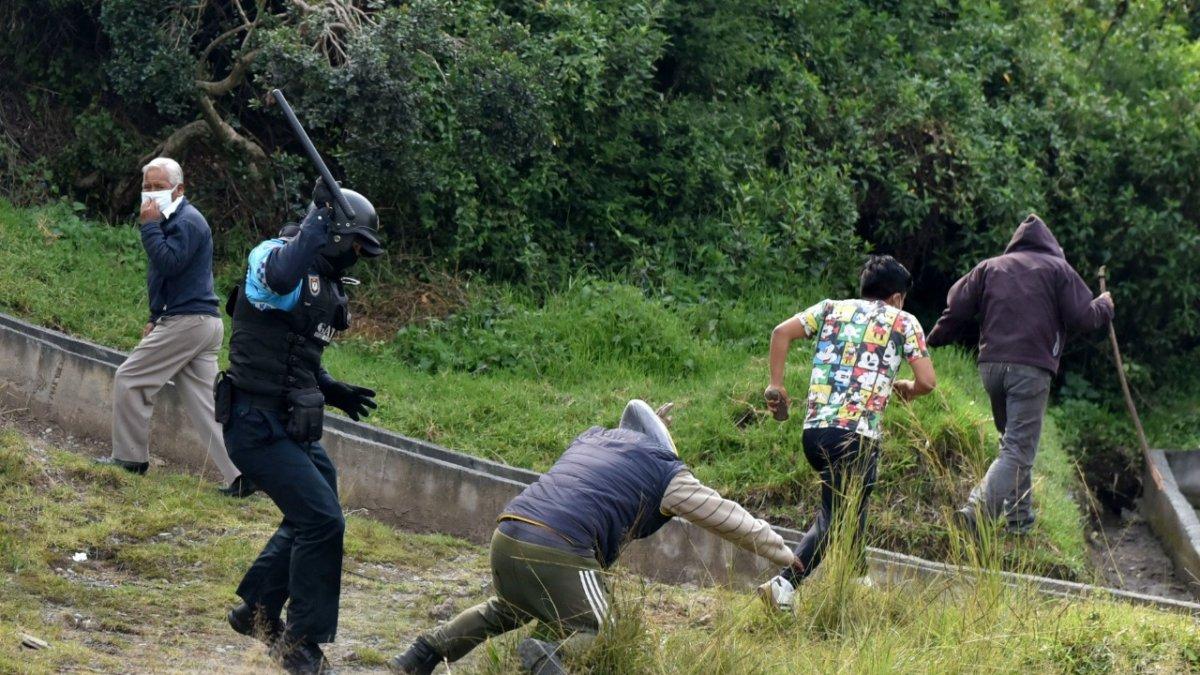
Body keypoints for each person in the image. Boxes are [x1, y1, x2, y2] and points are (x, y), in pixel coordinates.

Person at [388, 400, 801, 675]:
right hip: (558, 548)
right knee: (609, 629)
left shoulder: (593, 440)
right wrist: (783, 552)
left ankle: (419, 656)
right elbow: (727, 517)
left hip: (508, 533)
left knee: (506, 609)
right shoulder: (666, 473)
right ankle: (552, 655)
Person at [218, 181, 382, 674]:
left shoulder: (324, 279)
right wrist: (318, 217)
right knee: (322, 520)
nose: (357, 255)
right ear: (328, 231)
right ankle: (300, 643)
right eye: (353, 243)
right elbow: (281, 274)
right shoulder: (274, 258)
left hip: (289, 425)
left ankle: (257, 610)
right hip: (255, 423)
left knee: (317, 507)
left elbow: (297, 355)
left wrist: (333, 389)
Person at [757, 255, 936, 611]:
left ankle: (857, 580)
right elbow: (927, 381)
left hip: (815, 431)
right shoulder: (904, 321)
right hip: (856, 435)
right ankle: (783, 585)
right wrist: (907, 388)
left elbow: (781, 333)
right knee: (835, 516)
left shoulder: (830, 309)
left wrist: (776, 385)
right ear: (898, 297)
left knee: (852, 503)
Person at [926, 214, 1114, 535]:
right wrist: (1104, 305)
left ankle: (1019, 521)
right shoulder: (1058, 270)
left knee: (1013, 445)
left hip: (991, 368)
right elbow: (1083, 317)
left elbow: (956, 308)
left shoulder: (990, 267)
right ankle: (975, 511)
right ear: (1052, 244)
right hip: (1030, 368)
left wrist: (931, 341)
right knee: (1018, 449)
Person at [97, 157, 248, 497]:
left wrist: (148, 227)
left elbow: (169, 262)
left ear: (179, 190)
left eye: (158, 187)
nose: (151, 194)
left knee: (130, 378)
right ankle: (243, 474)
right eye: (146, 187)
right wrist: (154, 316)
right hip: (200, 322)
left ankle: (130, 459)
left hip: (189, 322)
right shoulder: (173, 219)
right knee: (206, 406)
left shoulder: (188, 221)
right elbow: (166, 278)